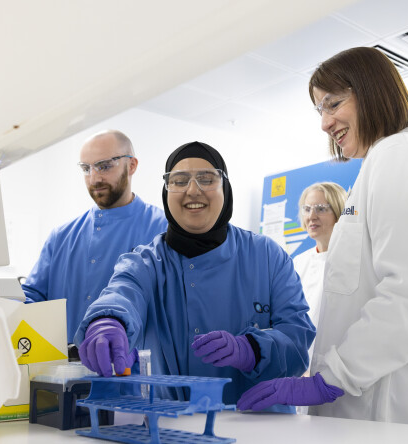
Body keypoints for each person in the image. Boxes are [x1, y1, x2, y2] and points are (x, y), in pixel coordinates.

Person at [237, 47, 408, 430]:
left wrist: (331, 380)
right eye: (320, 111)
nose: (325, 124)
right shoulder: (379, 164)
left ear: (371, 91)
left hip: (394, 412)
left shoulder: (401, 157)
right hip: (372, 410)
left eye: (333, 105)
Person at [73, 141, 315, 410]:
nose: (192, 190)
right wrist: (107, 321)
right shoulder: (146, 262)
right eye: (179, 180)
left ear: (225, 188)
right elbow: (122, 294)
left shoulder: (268, 256)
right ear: (166, 192)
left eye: (206, 178)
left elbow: (298, 339)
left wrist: (251, 350)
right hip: (173, 427)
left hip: (261, 426)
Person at [21, 130, 167, 343]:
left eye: (104, 166)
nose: (94, 178)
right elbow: (31, 301)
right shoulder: (61, 237)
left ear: (132, 165)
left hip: (135, 372)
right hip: (63, 373)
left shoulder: (162, 229)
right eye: (86, 168)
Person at [293, 182, 347, 350]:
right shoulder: (298, 263)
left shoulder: (354, 260)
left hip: (340, 365)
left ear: (339, 212)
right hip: (301, 364)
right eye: (307, 209)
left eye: (321, 209)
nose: (311, 216)